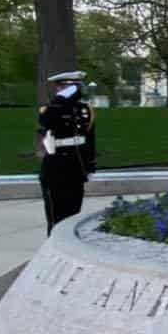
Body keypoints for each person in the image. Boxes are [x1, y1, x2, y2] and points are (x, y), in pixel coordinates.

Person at [38, 70, 97, 234]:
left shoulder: (85, 110)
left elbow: (89, 140)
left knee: (73, 215)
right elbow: (46, 120)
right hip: (56, 168)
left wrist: (90, 166)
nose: (78, 90)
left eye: (78, 86)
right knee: (56, 216)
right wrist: (63, 98)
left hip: (76, 168)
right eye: (72, 87)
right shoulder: (51, 108)